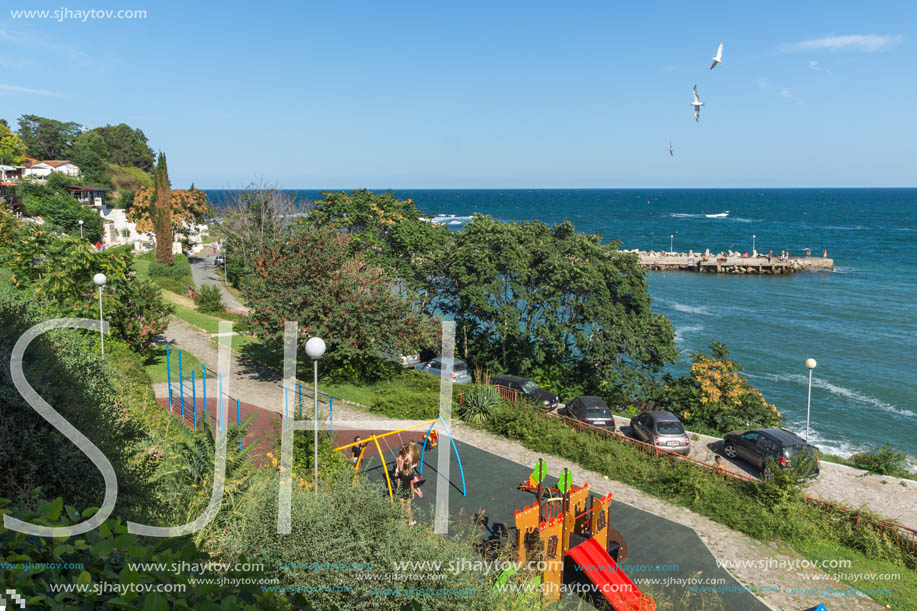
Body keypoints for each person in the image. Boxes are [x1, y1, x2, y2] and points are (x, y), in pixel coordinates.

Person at [396, 449, 416, 526]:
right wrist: (413, 493)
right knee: (408, 508)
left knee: (401, 507)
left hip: (401, 491)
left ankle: (401, 522)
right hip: (407, 492)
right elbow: (411, 485)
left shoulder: (400, 474)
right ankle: (410, 521)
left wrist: (398, 490)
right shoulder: (411, 474)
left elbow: (398, 483)